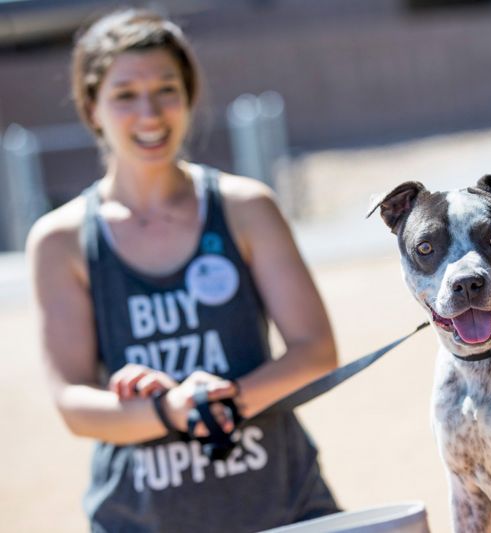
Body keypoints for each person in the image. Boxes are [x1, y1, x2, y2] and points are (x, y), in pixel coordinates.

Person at [26, 8, 340, 532]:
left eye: (166, 89)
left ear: (189, 98)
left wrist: (216, 401)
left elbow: (316, 351)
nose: (150, 113)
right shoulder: (61, 241)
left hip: (284, 506)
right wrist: (170, 409)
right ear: (92, 107)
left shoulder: (244, 207)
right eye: (125, 94)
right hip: (139, 518)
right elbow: (73, 404)